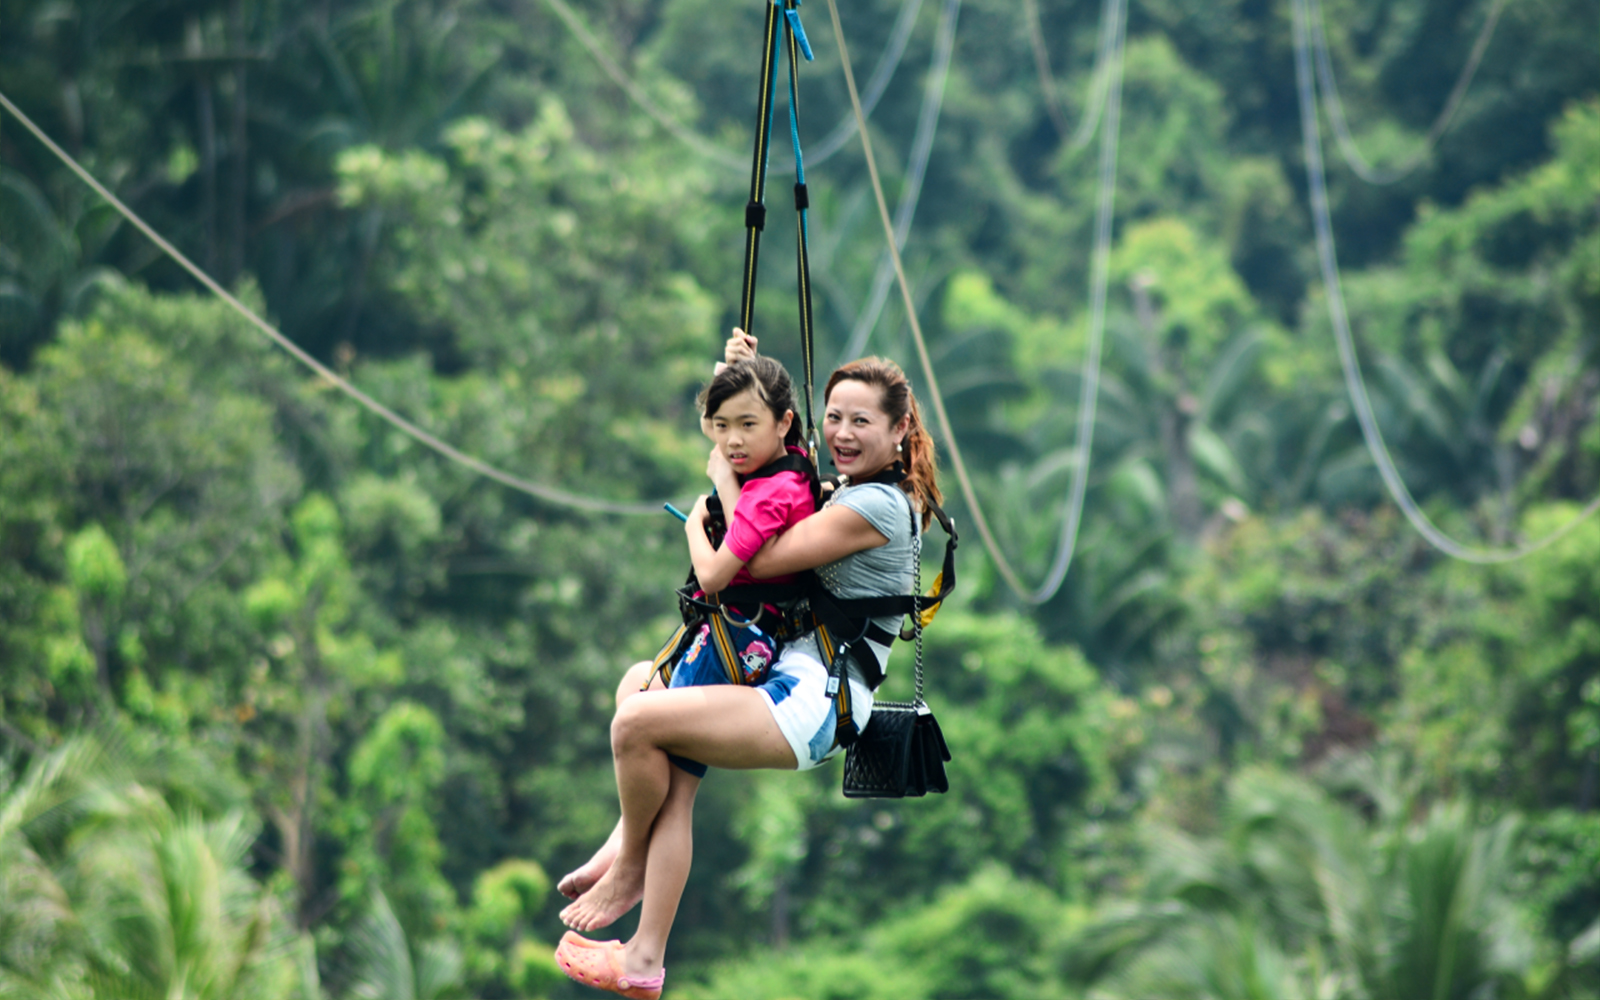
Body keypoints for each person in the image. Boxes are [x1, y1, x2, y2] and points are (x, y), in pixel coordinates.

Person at [554, 347, 942, 1000]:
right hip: (779, 678)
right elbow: (760, 429)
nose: (843, 434)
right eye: (835, 418)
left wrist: (718, 486)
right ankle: (641, 950)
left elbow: (753, 562)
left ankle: (630, 869)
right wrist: (737, 368)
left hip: (814, 702)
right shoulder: (845, 485)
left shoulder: (876, 506)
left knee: (637, 724)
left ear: (899, 430)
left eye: (862, 423)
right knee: (640, 693)